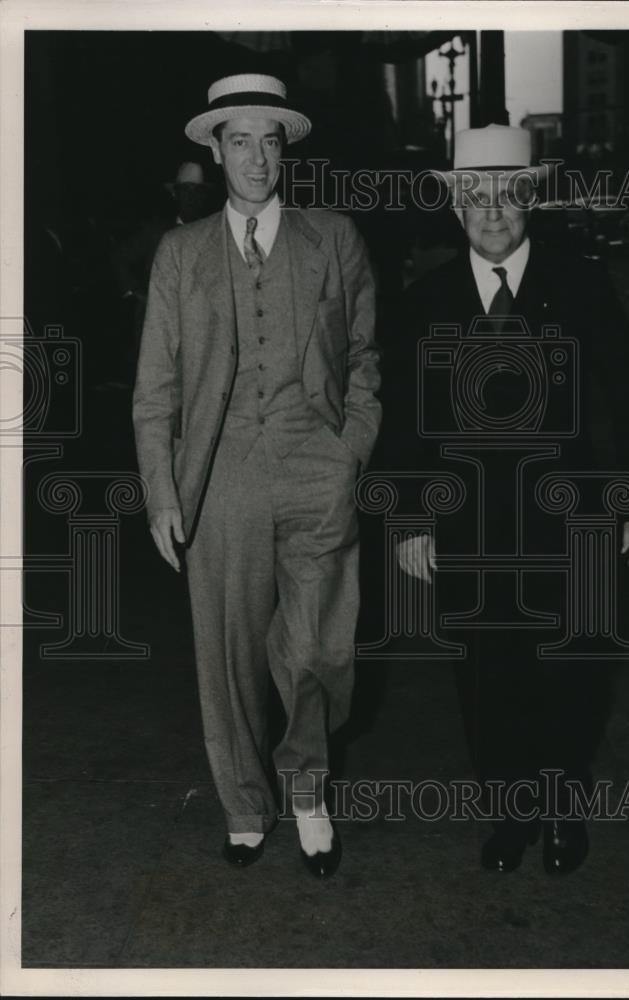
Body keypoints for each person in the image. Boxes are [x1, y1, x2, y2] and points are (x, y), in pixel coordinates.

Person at [382, 125, 629, 875]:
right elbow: (405, 420)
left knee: (572, 670)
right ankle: (508, 815)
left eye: (509, 194)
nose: (493, 211)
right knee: (486, 671)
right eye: (476, 196)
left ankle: (564, 810)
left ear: (530, 199)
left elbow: (627, 395)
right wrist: (411, 519)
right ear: (455, 208)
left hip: (570, 521)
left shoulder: (580, 283)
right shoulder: (424, 301)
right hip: (469, 526)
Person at [132, 74, 381, 877]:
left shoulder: (333, 236)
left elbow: (365, 358)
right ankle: (244, 803)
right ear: (214, 150)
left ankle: (307, 787)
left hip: (318, 463)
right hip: (220, 471)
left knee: (319, 650)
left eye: (270, 140)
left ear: (286, 151)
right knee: (230, 655)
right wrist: (163, 494)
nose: (257, 157)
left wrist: (352, 450)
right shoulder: (180, 253)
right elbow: (155, 390)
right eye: (239, 139)